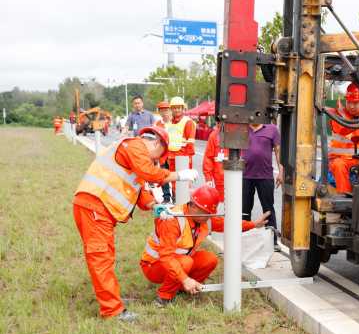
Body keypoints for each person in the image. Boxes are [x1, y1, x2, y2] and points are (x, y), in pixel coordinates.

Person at [72, 126, 198, 321]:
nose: (155, 163)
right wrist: (178, 175)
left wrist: (156, 206)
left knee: (106, 258)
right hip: (95, 208)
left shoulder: (135, 157)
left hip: (99, 210)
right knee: (101, 260)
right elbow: (150, 173)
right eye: (157, 159)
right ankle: (112, 311)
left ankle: (112, 301)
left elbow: (141, 193)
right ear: (157, 143)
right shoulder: (134, 146)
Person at [140, 185, 269, 306]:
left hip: (177, 262)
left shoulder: (203, 217)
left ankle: (181, 289)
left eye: (209, 213)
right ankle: (164, 297)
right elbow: (166, 257)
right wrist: (185, 279)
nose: (208, 217)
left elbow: (227, 224)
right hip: (153, 265)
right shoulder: (173, 220)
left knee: (210, 259)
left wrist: (253, 224)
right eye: (206, 213)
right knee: (186, 262)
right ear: (194, 206)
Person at [242, 121, 283, 249]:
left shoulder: (272, 129)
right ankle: (243, 238)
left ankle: (273, 241)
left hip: (265, 176)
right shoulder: (242, 128)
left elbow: (278, 151)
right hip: (245, 176)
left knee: (268, 209)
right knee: (244, 209)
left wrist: (281, 172)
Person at [156, 101, 173, 204]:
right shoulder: (157, 124)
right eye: (162, 110)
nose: (164, 112)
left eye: (166, 110)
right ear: (159, 112)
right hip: (163, 154)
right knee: (163, 175)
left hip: (174, 154)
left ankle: (176, 196)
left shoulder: (175, 122)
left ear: (170, 110)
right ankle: (166, 197)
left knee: (175, 176)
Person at [203, 123, 225, 196]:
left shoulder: (239, 133)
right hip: (220, 180)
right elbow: (208, 158)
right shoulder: (214, 135)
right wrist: (208, 178)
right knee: (221, 204)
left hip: (238, 178)